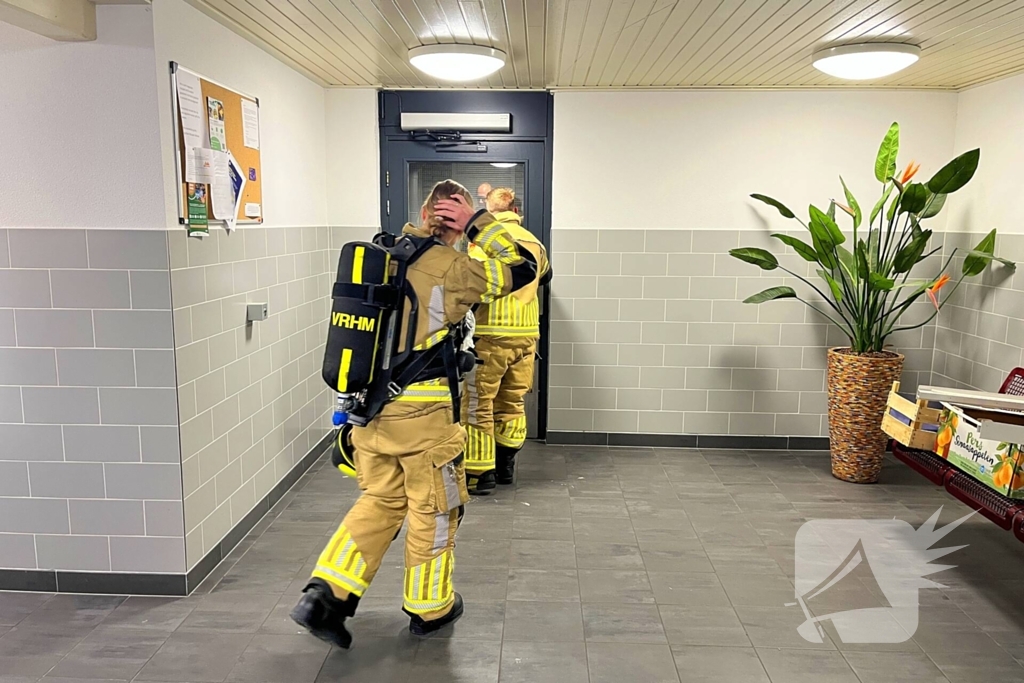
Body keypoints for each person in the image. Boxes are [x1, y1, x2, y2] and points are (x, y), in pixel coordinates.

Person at [290, 180, 538, 649]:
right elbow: (523, 269)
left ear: (422, 214)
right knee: (435, 511)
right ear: (454, 221)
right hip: (423, 421)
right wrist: (479, 224)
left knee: (379, 502)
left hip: (369, 413)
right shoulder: (452, 267)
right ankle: (431, 607)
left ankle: (324, 596)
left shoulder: (384, 254)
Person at [463, 188, 551, 494]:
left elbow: (471, 284)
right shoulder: (534, 241)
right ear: (515, 208)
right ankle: (506, 466)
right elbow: (545, 277)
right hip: (527, 335)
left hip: (490, 334)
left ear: (489, 210)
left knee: (478, 404)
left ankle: (479, 473)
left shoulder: (483, 242)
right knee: (512, 401)